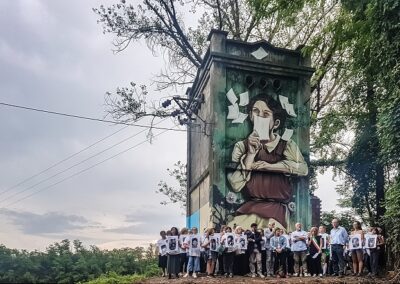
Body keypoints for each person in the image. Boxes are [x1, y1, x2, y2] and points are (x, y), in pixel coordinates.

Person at [227, 94, 308, 229]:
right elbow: (235, 185)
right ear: (251, 116)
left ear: (275, 123)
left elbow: (303, 169)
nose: (260, 117)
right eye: (256, 111)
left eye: (265, 114)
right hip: (251, 207)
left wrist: (271, 167)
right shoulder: (242, 146)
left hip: (276, 210)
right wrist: (250, 154)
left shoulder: (286, 145)